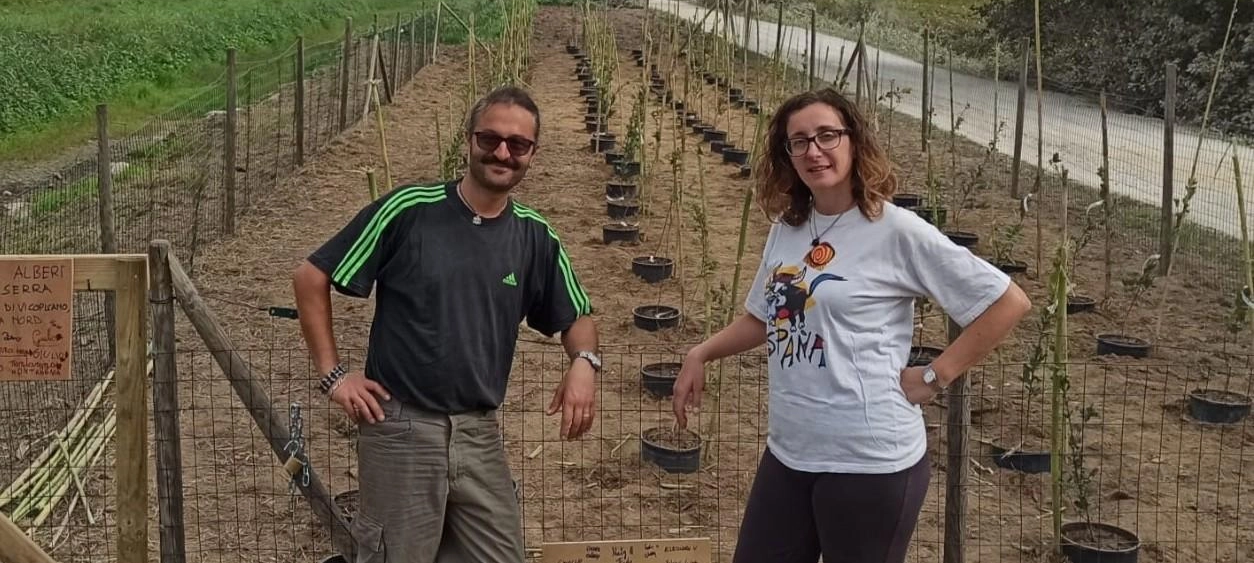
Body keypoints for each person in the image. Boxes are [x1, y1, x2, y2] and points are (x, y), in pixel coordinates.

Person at [671, 88, 1030, 563]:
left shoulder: (896, 230)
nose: (813, 151)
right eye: (798, 142)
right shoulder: (788, 228)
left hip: (869, 462)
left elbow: (1007, 301)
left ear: (854, 141)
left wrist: (935, 375)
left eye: (826, 136)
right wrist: (701, 353)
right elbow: (765, 317)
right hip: (791, 451)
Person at [292, 85, 601, 563]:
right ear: (469, 140)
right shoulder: (410, 211)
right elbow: (312, 276)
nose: (502, 152)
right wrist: (334, 375)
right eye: (490, 138)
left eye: (518, 144)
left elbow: (578, 316)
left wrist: (584, 362)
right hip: (400, 427)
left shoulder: (533, 235)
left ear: (532, 154)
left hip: (478, 432)